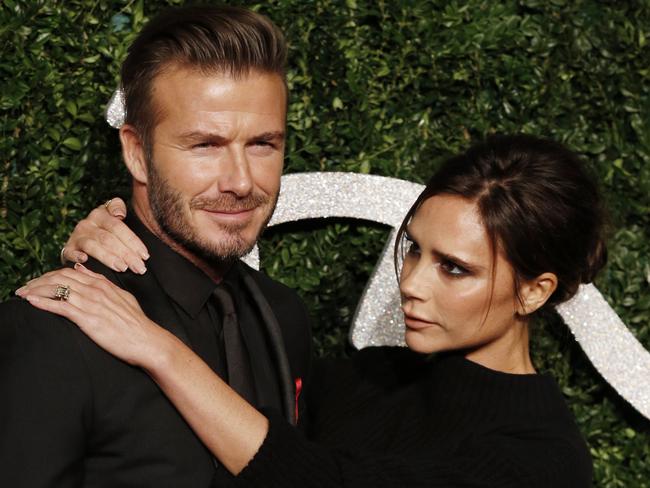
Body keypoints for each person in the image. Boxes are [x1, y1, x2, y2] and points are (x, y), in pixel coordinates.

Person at [19, 134, 605, 487]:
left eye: (454, 267)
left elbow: (318, 483)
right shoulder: (360, 378)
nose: (412, 284)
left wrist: (157, 347)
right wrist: (121, 246)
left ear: (535, 291)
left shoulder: (544, 462)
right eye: (413, 249)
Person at [0, 6, 312, 486]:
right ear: (137, 153)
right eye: (205, 145)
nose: (240, 181)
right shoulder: (55, 328)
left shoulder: (283, 314)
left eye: (262, 144)